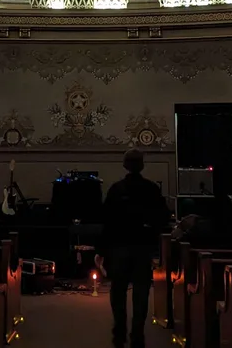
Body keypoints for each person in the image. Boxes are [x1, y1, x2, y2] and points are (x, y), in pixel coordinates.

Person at [95, 149, 171, 348]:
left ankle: (119, 331)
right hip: (142, 247)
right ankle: (137, 333)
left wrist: (101, 250)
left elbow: (107, 222)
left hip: (119, 247)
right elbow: (163, 218)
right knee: (141, 291)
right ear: (142, 165)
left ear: (124, 165)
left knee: (118, 290)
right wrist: (150, 230)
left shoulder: (116, 189)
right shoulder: (151, 189)